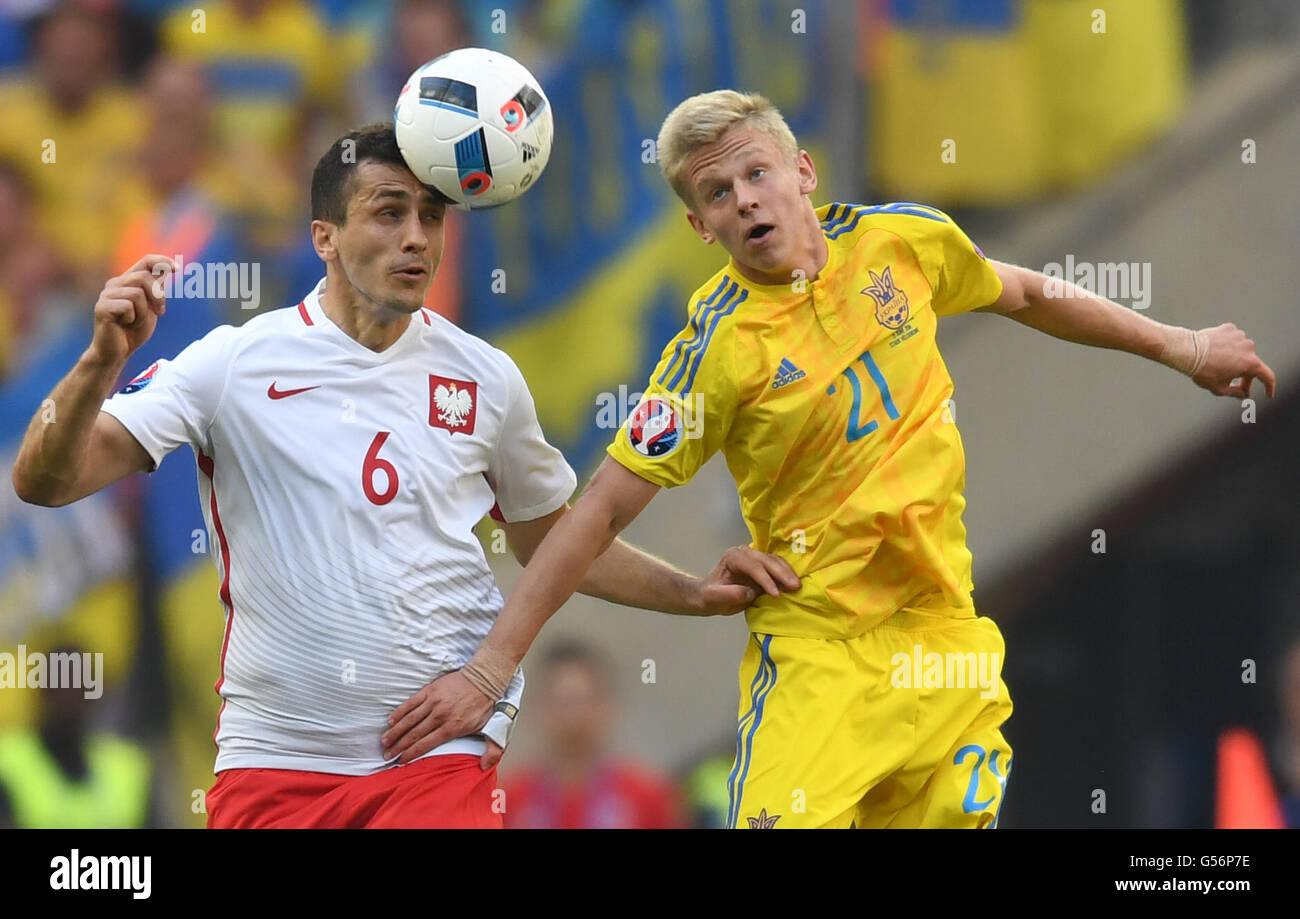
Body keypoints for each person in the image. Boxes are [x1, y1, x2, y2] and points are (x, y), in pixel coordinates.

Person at [401, 90, 1279, 829]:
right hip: (819, 655)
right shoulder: (713, 352)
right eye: (716, 192)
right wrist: (493, 664)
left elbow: (1027, 292)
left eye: (755, 173)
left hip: (943, 642)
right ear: (700, 225)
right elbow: (591, 514)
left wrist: (1186, 346)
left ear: (802, 173)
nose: (744, 199)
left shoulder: (903, 242)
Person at [9, 123, 797, 829]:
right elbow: (46, 480)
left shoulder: (485, 378)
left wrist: (693, 592)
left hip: (433, 763)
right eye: (389, 213)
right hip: (273, 764)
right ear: (324, 235)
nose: (417, 237)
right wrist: (99, 362)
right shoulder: (235, 362)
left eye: (431, 215)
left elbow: (559, 541)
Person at [502, 641, 686, 829]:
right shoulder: (509, 798)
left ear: (608, 704)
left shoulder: (649, 794)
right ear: (537, 706)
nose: (573, 717)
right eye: (563, 702)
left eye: (583, 700)